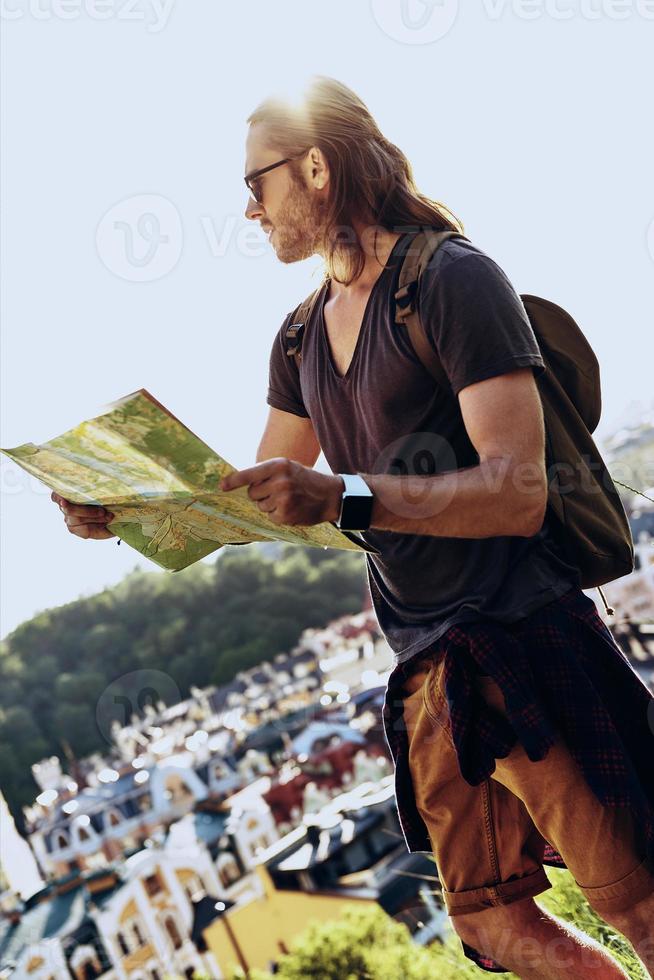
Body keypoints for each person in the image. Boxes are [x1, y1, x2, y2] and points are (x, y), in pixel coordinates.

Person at [52, 77, 654, 978]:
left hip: (528, 634)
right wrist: (125, 511)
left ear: (318, 168)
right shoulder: (297, 338)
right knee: (493, 929)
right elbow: (259, 497)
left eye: (256, 184)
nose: (248, 211)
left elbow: (519, 489)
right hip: (429, 670)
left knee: (638, 904)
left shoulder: (454, 278)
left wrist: (343, 498)